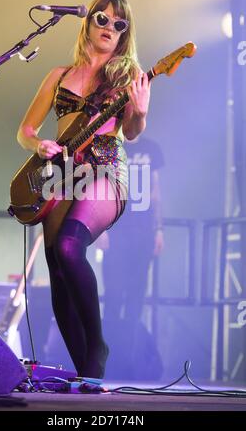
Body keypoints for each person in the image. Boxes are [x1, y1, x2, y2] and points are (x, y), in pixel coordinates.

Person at [16, 0, 151, 378]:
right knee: (57, 269)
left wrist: (139, 114)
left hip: (106, 168)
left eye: (119, 24)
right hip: (61, 172)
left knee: (71, 246)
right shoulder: (58, 75)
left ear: (126, 34)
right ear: (88, 23)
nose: (110, 27)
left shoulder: (127, 75)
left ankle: (98, 345)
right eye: (102, 19)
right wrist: (37, 142)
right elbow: (25, 129)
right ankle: (87, 375)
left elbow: (132, 131)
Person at [101, 135, 164, 379]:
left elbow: (156, 192)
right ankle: (109, 363)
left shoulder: (151, 148)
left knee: (136, 300)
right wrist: (102, 228)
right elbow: (102, 187)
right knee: (114, 298)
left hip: (143, 233)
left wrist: (159, 229)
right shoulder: (110, 146)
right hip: (116, 230)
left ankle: (129, 364)